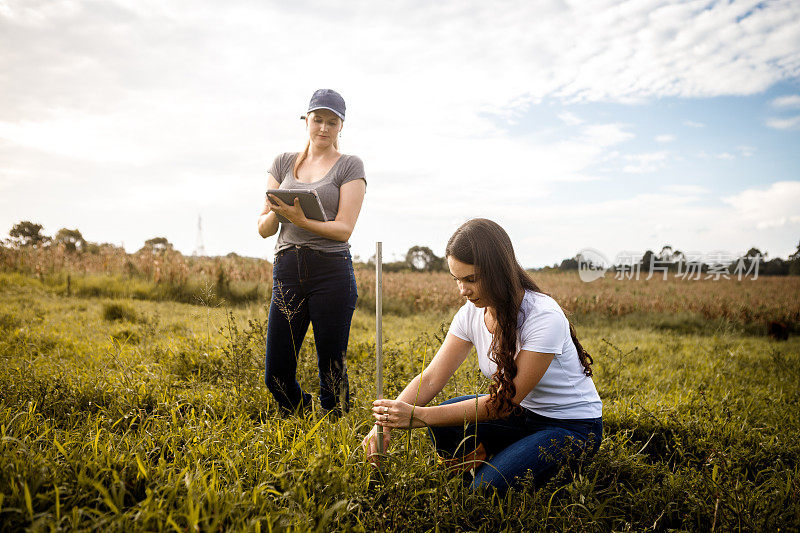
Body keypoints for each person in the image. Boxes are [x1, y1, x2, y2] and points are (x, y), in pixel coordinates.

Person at [363, 219, 602, 491]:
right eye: (457, 280)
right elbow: (431, 379)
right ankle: (494, 461)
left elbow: (505, 402)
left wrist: (419, 415)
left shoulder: (543, 316)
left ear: (499, 272)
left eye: (471, 279)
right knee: (444, 425)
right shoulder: (471, 312)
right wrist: (385, 424)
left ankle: (502, 469)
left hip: (571, 427)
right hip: (521, 416)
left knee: (484, 490)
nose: (463, 291)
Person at [258, 89, 366, 416]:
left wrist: (301, 219)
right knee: (276, 374)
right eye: (317, 119)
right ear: (306, 120)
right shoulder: (282, 163)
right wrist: (281, 210)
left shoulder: (349, 165)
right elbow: (263, 228)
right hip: (288, 268)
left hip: (330, 271)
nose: (323, 127)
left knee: (332, 370)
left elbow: (344, 228)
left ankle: (337, 433)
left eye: (331, 122)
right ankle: (304, 413)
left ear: (341, 126)